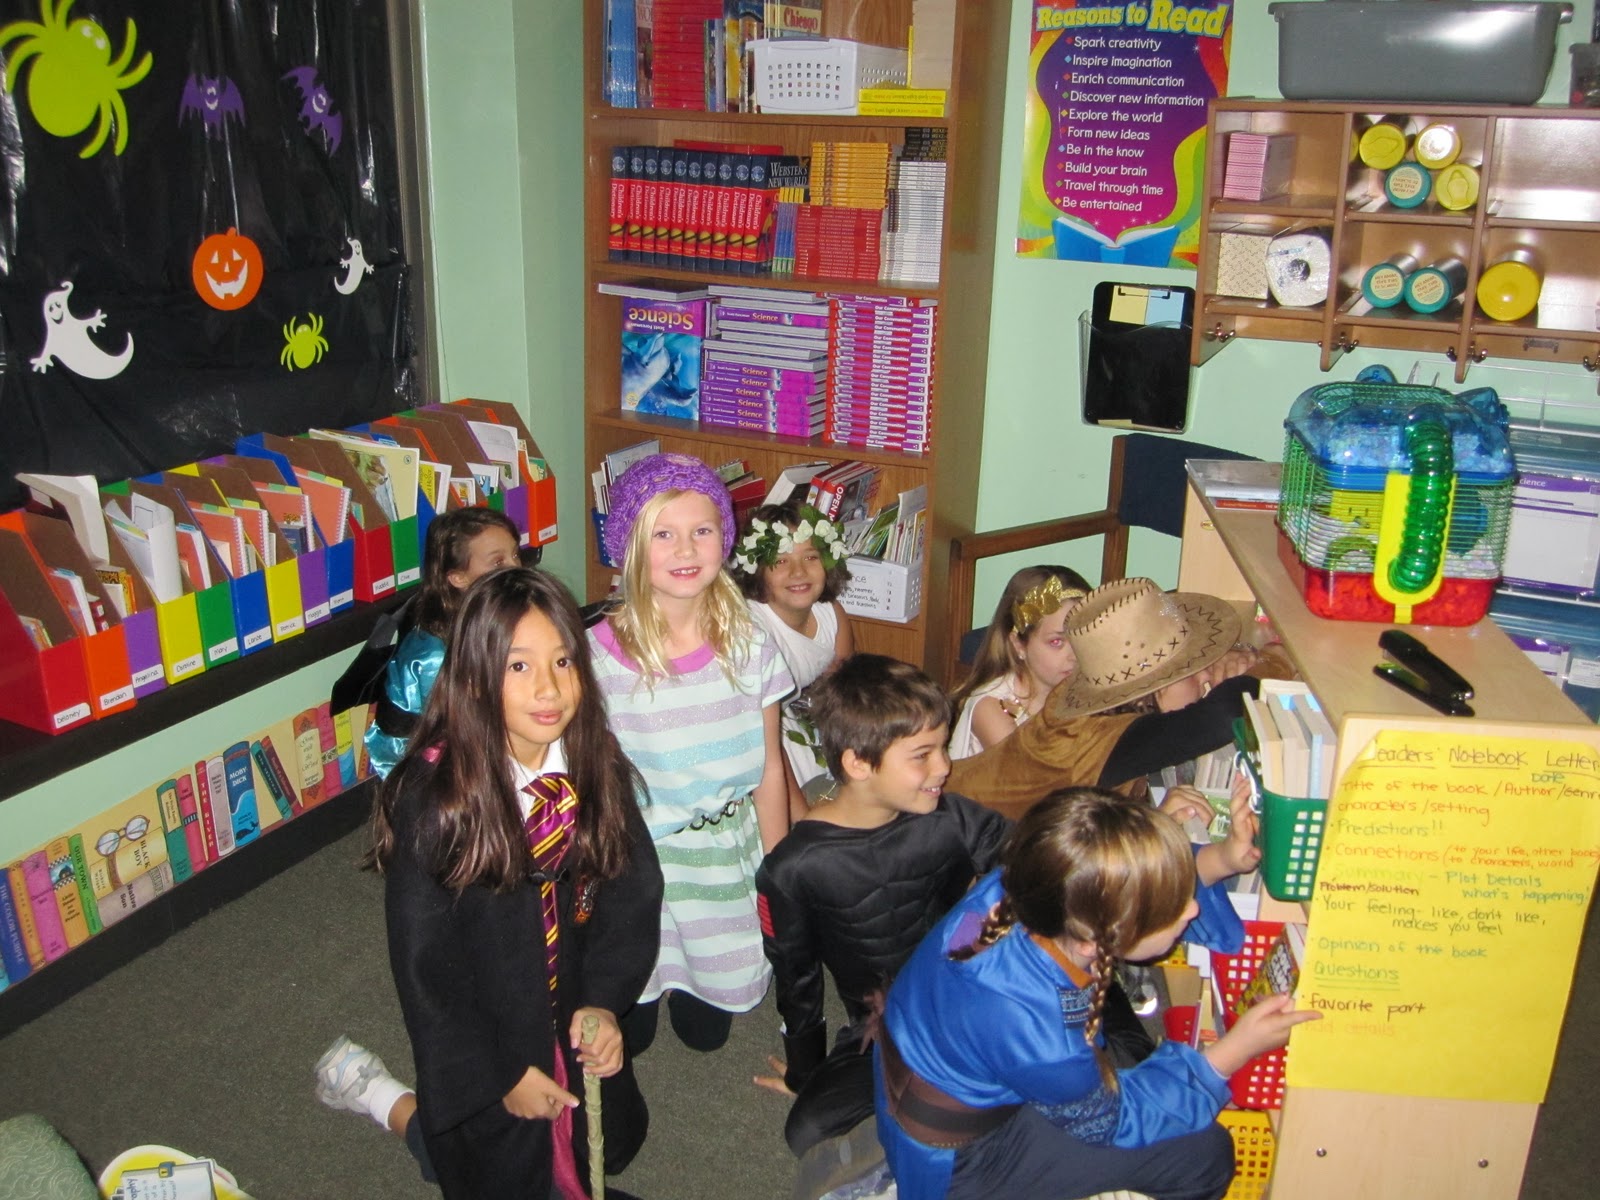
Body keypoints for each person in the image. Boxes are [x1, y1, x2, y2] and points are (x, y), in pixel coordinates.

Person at [318, 568, 664, 1200]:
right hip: (489, 1032)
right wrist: (500, 1074)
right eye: (518, 666)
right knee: (498, 1159)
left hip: (568, 1002)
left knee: (578, 1142)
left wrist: (602, 999)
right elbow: (428, 972)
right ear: (475, 678)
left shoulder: (597, 764)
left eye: (563, 661)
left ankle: (387, 1097)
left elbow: (632, 891)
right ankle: (387, 1099)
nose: (549, 688)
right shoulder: (438, 803)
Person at [875, 787, 1318, 1200]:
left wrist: (1220, 860)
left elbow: (1113, 896)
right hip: (959, 1162)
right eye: (1172, 909)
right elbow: (1110, 1122)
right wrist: (1233, 1052)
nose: (1192, 907)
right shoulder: (1034, 1024)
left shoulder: (1036, 890)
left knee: (1135, 1062)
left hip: (937, 1080)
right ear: (1096, 941)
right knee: (1203, 1153)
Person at [753, 654, 1010, 1164]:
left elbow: (1036, 867)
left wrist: (974, 935)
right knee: (806, 1130)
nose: (945, 767)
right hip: (883, 1025)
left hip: (971, 995)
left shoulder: (952, 818)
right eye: (922, 755)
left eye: (942, 747)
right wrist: (806, 1071)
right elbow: (797, 978)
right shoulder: (791, 869)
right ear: (858, 763)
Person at [590, 453, 794, 1054]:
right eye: (663, 534)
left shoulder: (750, 642)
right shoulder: (596, 658)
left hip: (722, 861)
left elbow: (770, 766)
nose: (685, 549)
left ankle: (698, 983)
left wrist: (779, 868)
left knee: (705, 1033)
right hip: (635, 866)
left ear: (723, 539)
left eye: (701, 530)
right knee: (630, 1026)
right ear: (630, 547)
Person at [948, 576, 1291, 822]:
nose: (1207, 679)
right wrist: (1275, 660)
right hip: (955, 840)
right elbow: (1220, 717)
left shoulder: (1094, 699)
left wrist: (1236, 657)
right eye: (1193, 670)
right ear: (1152, 688)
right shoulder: (1096, 738)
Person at [364, 506, 522, 779]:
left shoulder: (501, 617)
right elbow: (436, 741)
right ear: (458, 578)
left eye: (515, 554)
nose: (516, 567)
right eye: (498, 562)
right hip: (428, 768)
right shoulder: (433, 655)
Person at [732, 501, 856, 800]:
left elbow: (845, 697)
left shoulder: (830, 614)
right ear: (758, 571)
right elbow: (760, 735)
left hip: (803, 716)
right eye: (781, 561)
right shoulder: (751, 630)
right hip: (757, 733)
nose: (798, 572)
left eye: (810, 557)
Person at [948, 565, 1092, 760]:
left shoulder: (1084, 691)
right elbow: (1033, 773)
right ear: (1019, 645)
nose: (1074, 655)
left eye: (1082, 636)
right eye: (1056, 642)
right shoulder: (991, 709)